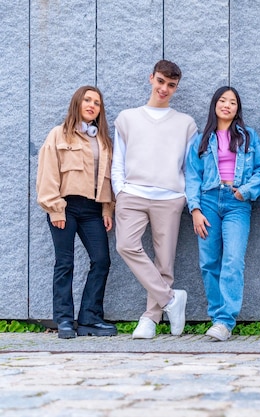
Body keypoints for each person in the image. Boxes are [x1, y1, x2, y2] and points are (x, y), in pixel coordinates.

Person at [112, 60, 197, 339]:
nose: (164, 89)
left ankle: (150, 318)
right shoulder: (127, 118)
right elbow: (118, 160)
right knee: (126, 245)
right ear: (151, 78)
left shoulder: (186, 123)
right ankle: (171, 300)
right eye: (161, 81)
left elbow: (189, 165)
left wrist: (183, 196)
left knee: (165, 261)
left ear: (176, 88)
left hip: (170, 197)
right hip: (132, 194)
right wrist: (120, 191)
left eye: (171, 85)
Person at [36, 85, 117, 339]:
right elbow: (48, 173)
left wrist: (107, 207)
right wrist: (55, 209)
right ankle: (64, 320)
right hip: (65, 207)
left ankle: (90, 318)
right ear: (77, 103)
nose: (92, 105)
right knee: (65, 263)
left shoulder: (103, 141)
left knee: (101, 259)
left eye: (97, 102)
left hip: (92, 209)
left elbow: (106, 179)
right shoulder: (58, 135)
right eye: (87, 100)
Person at [185, 86, 260, 342]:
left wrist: (246, 191)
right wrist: (195, 209)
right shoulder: (201, 140)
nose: (227, 105)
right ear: (215, 105)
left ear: (238, 108)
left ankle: (225, 320)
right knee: (209, 261)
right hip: (207, 201)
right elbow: (191, 176)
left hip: (236, 203)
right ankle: (217, 316)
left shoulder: (248, 137)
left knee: (232, 260)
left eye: (232, 102)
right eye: (222, 100)